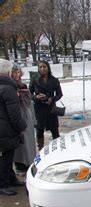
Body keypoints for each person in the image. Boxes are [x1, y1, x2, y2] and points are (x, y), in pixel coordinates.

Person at [0, 59, 27, 196]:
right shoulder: (8, 88)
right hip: (5, 129)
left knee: (7, 157)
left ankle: (10, 178)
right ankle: (3, 184)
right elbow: (14, 114)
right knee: (6, 158)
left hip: (4, 128)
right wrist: (22, 126)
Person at [29, 60, 63, 150]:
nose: (42, 69)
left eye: (44, 67)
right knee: (39, 130)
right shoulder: (34, 79)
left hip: (51, 108)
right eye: (40, 67)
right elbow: (29, 94)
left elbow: (59, 94)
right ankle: (40, 149)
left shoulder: (54, 80)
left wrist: (52, 99)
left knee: (54, 130)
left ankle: (58, 150)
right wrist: (36, 97)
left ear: (48, 68)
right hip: (39, 109)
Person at [11, 63, 36, 180]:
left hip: (27, 115)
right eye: (14, 72)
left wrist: (34, 119)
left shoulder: (23, 86)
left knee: (29, 141)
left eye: (18, 72)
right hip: (16, 116)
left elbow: (30, 103)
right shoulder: (10, 86)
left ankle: (29, 163)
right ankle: (20, 165)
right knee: (20, 144)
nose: (16, 74)